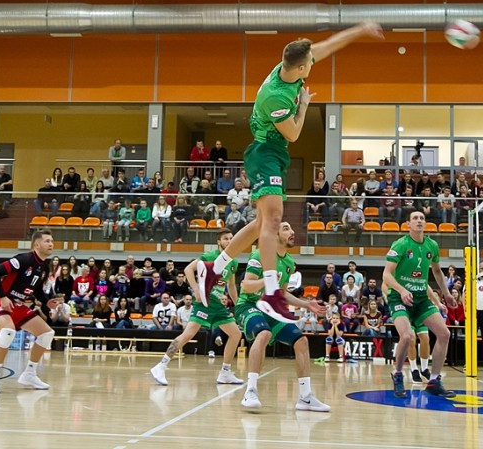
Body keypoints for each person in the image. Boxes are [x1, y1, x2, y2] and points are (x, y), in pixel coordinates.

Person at [197, 22, 384, 323]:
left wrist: (361, 29)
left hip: (273, 153)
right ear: (300, 68)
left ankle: (215, 267)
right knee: (272, 220)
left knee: (260, 225)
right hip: (265, 152)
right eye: (310, 61)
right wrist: (305, 105)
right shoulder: (277, 97)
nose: (314, 62)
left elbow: (329, 45)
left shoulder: (291, 66)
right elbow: (295, 133)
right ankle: (271, 292)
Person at [237, 222, 330, 411]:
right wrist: (267, 280)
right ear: (275, 234)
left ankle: (305, 397)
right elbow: (246, 286)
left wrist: (306, 304)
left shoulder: (288, 262)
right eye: (286, 228)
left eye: (292, 228)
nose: (292, 231)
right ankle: (251, 391)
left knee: (301, 341)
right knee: (264, 334)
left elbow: (283, 293)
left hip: (270, 310)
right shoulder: (259, 255)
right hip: (248, 305)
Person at [150, 230, 244, 386]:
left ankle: (225, 373)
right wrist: (196, 290)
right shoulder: (209, 257)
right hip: (204, 304)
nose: (230, 241)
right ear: (219, 242)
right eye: (226, 238)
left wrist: (238, 305)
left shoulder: (233, 262)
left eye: (232, 238)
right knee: (188, 335)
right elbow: (188, 270)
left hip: (218, 307)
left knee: (235, 334)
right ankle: (161, 366)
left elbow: (232, 285)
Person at [384, 210, 456, 399]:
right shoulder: (400, 245)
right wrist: (401, 290)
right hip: (399, 298)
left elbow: (438, 272)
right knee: (407, 336)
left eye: (422, 218)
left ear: (425, 224)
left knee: (444, 333)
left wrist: (446, 294)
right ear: (408, 224)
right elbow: (386, 274)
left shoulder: (431, 245)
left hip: (421, 299)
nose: (419, 221)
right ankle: (398, 375)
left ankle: (433, 381)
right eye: (415, 218)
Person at [0, 229, 59, 393]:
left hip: (18, 305)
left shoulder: (43, 267)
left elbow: (36, 290)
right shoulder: (23, 259)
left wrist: (47, 302)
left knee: (47, 333)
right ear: (36, 244)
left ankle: (29, 374)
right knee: (8, 331)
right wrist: (3, 297)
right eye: (47, 241)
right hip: (0, 301)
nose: (51, 244)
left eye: (52, 241)